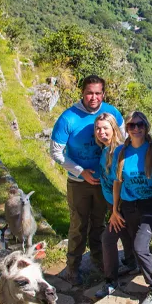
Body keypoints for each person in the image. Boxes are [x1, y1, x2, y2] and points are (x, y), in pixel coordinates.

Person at [50, 75, 124, 284]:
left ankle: (99, 260)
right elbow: (56, 151)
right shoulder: (68, 118)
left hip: (105, 181)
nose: (94, 97)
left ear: (104, 94)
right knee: (78, 224)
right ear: (82, 92)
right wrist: (80, 171)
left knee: (100, 223)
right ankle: (72, 267)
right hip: (78, 182)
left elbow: (123, 141)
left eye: (98, 93)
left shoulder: (112, 113)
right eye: (89, 92)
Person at [106, 111, 152, 304]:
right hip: (129, 204)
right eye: (132, 126)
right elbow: (117, 182)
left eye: (140, 125)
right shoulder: (121, 153)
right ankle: (112, 279)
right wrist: (115, 210)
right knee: (130, 244)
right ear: (127, 129)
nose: (137, 129)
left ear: (146, 127)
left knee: (141, 246)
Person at [93, 113, 134, 298]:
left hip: (122, 204)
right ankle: (132, 263)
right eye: (98, 129)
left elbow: (122, 181)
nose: (101, 132)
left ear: (114, 129)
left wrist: (116, 210)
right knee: (124, 234)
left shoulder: (119, 151)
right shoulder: (106, 149)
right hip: (113, 203)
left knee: (108, 239)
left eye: (105, 128)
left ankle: (111, 281)